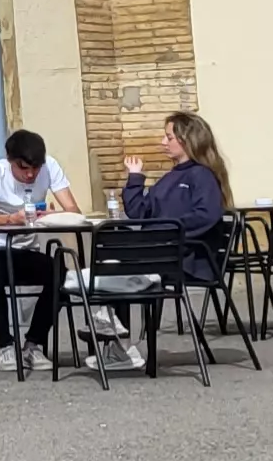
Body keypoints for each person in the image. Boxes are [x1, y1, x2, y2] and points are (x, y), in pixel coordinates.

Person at [97, 112, 235, 371]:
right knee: (110, 248)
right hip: (164, 252)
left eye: (168, 137)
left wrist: (166, 232)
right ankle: (114, 330)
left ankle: (115, 330)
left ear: (186, 140)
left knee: (117, 258)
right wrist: (135, 178)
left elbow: (206, 215)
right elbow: (140, 212)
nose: (163, 142)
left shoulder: (201, 176)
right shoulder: (171, 177)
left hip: (187, 258)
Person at [0, 130, 78, 371]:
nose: (30, 174)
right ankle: (5, 345)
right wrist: (11, 220)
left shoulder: (49, 166)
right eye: (23, 168)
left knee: (59, 274)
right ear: (10, 160)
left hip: (24, 250)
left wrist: (51, 215)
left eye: (35, 168)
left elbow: (74, 211)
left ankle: (34, 343)